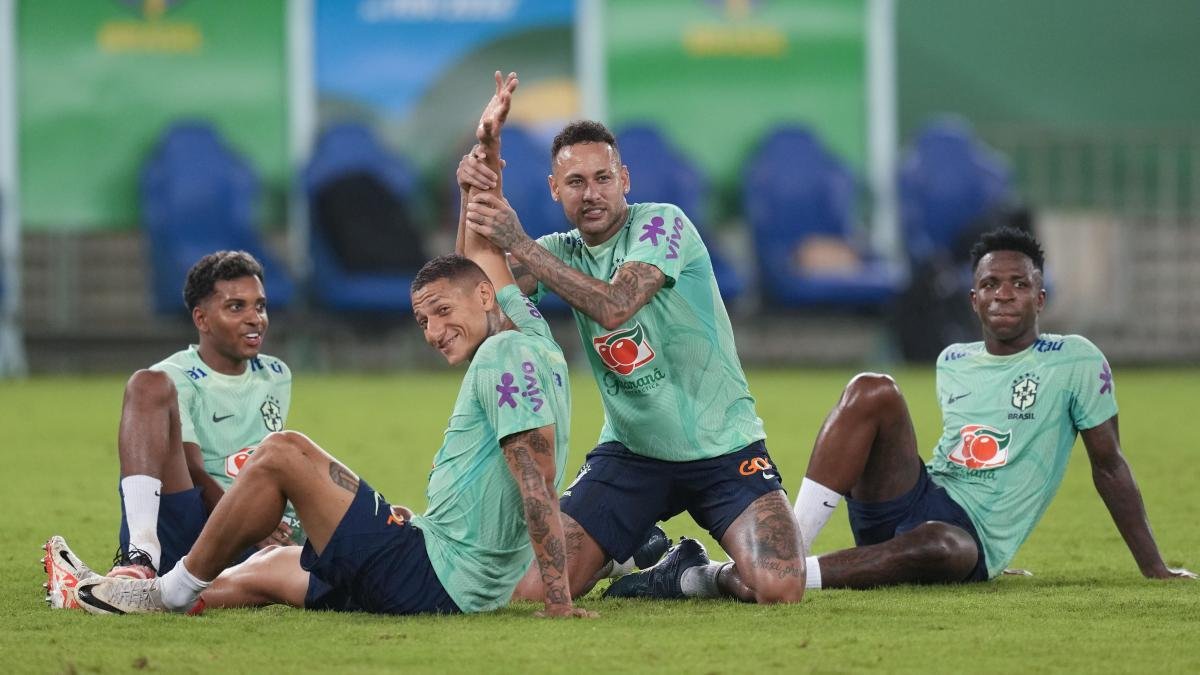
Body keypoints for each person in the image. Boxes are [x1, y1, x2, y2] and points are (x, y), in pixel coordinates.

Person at [51, 249, 592, 618]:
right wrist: (484, 163)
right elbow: (480, 257)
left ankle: (168, 590)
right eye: (423, 321)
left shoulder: (503, 352)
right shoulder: (536, 335)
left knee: (285, 452)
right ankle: (124, 593)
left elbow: (534, 476)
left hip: (433, 574)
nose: (431, 332)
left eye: (441, 313)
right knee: (272, 569)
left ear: (484, 298)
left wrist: (558, 598)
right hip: (440, 564)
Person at [460, 108, 804, 603]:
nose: (592, 193)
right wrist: (474, 191)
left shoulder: (662, 224)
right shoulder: (562, 249)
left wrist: (518, 242)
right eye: (575, 181)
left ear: (624, 179)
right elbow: (476, 292)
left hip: (724, 449)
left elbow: (616, 306)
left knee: (780, 586)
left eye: (603, 178)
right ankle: (625, 551)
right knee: (530, 591)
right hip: (632, 456)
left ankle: (689, 577)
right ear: (555, 190)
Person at [790, 226, 1196, 588]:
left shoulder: (1076, 360)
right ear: (974, 299)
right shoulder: (952, 360)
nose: (1003, 294)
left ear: (1040, 298)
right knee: (872, 387)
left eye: (1019, 284)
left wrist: (1153, 566)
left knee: (944, 545)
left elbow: (1109, 465)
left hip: (966, 538)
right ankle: (786, 549)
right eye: (990, 284)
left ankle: (792, 576)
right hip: (915, 498)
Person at [43, 251, 301, 609]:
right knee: (147, 384)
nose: (254, 319)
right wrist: (247, 517)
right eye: (236, 307)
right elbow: (193, 471)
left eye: (260, 306)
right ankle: (141, 558)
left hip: (249, 539)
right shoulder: (176, 374)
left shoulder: (276, 373)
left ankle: (99, 593)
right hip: (193, 523)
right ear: (202, 318)